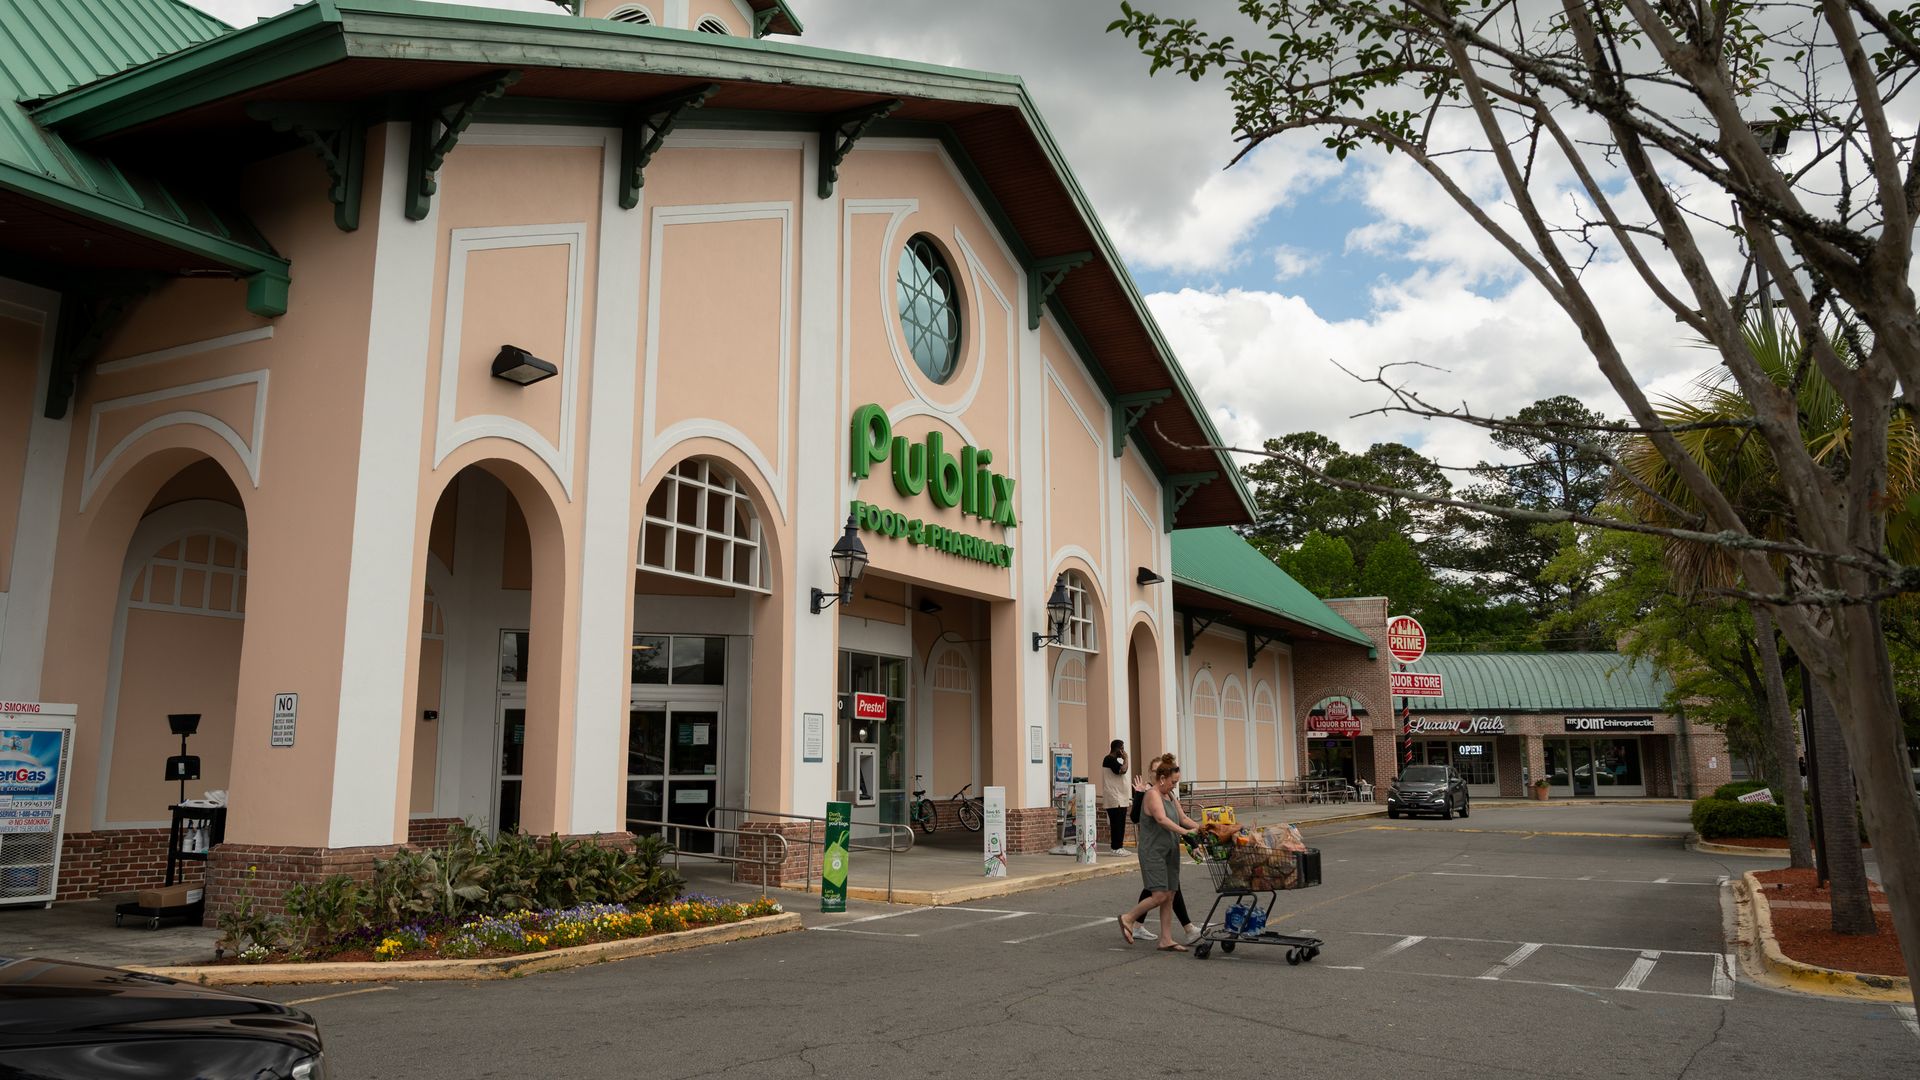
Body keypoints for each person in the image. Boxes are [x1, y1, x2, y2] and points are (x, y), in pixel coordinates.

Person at [1118, 755, 1201, 952]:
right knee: (1159, 895)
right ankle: (1128, 918)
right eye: (1173, 782)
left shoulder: (1169, 796)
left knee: (1170, 894)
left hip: (1170, 851)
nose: (1175, 786)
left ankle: (1166, 939)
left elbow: (1182, 818)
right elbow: (1162, 820)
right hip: (1153, 852)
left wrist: (1204, 828)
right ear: (1162, 778)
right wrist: (1186, 833)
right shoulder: (1152, 795)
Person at [1100, 739, 1130, 855]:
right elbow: (1123, 770)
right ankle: (1115, 847)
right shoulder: (1109, 759)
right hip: (1114, 797)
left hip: (1120, 797)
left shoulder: (1114, 760)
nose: (1123, 751)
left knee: (1121, 823)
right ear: (1117, 749)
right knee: (1116, 823)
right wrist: (1126, 759)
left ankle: (1119, 846)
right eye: (1122, 748)